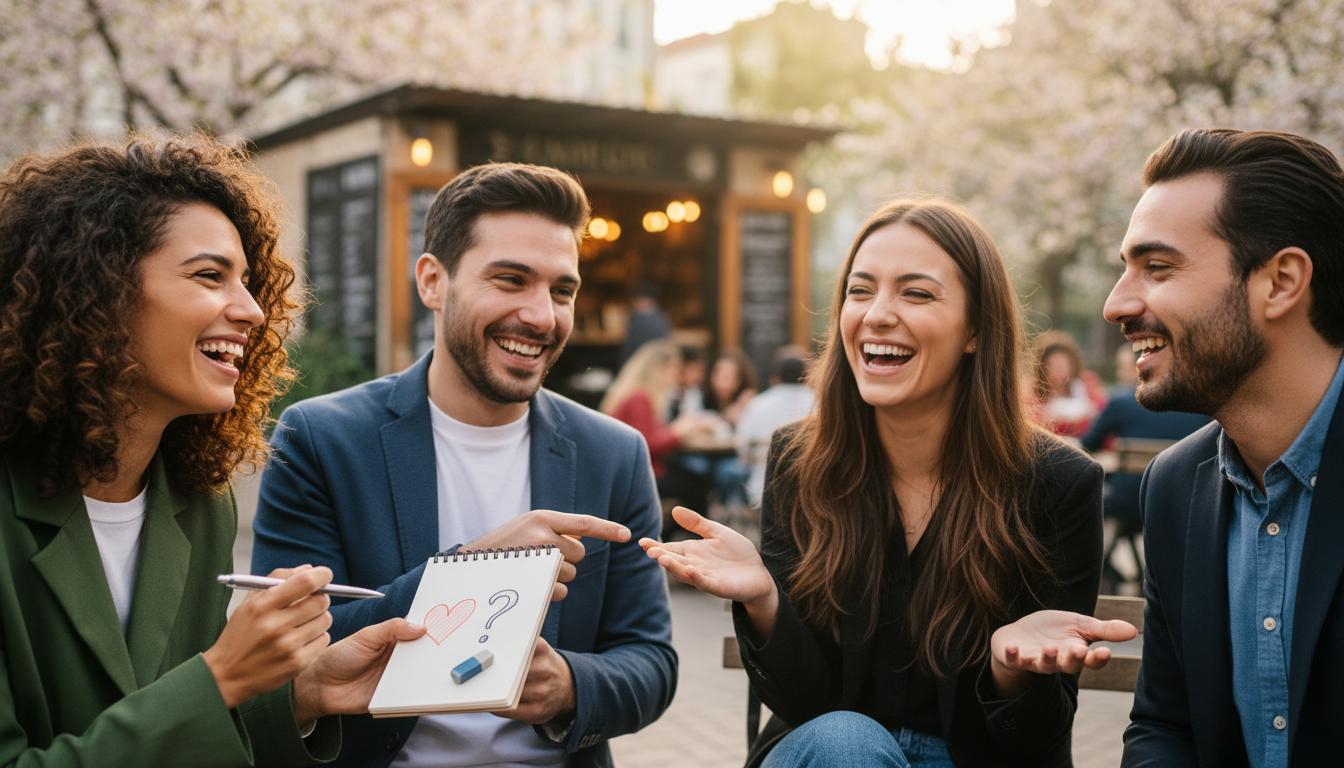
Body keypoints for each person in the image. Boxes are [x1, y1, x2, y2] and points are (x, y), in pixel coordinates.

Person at [643, 199, 1135, 767]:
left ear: (975, 329)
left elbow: (1034, 742)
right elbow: (804, 704)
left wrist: (1010, 672)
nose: (877, 313)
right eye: (860, 290)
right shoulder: (800, 461)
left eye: (916, 293)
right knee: (846, 743)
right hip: (831, 755)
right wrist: (765, 601)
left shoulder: (1056, 483)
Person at [0, 134, 422, 766]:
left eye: (249, 282)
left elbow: (170, 725)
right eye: (208, 276)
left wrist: (297, 694)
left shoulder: (199, 502)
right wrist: (223, 675)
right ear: (96, 289)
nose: (253, 311)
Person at [252, 162, 676, 768]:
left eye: (562, 290)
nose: (542, 316)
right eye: (510, 280)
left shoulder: (614, 452)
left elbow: (651, 662)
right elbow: (292, 654)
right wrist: (469, 570)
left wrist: (571, 687)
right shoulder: (321, 438)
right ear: (432, 281)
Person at [1108, 129, 1344, 767]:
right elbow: (1165, 726)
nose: (1116, 304)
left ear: (1281, 281)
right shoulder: (1175, 485)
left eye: (1157, 268)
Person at [1080, 344, 1207, 592]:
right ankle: (1140, 577)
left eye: (1122, 367)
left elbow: (1086, 446)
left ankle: (1109, 572)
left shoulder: (1120, 402)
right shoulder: (1199, 404)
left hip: (1129, 502)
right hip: (1183, 503)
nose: (1119, 373)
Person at [735, 348, 816, 507]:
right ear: (805, 376)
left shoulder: (758, 404)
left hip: (762, 491)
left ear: (776, 377)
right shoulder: (818, 403)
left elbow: (742, 451)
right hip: (812, 493)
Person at [1031, 330, 1107, 437]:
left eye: (1063, 365)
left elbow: (1102, 416)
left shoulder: (1086, 383)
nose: (1060, 371)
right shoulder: (1033, 392)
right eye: (1054, 366)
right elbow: (1036, 425)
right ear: (1042, 367)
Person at [618, 281, 670, 364]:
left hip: (640, 365)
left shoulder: (640, 318)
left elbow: (629, 350)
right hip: (657, 364)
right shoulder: (660, 317)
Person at [706, 348, 759, 428]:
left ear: (740, 379)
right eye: (717, 375)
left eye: (727, 377)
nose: (721, 382)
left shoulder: (748, 400)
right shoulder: (705, 398)